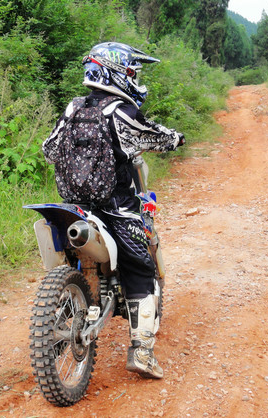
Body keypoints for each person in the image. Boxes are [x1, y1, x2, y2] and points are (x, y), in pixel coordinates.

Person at [42, 42, 185, 379]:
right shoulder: (120, 111)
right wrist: (175, 138)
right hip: (115, 209)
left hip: (72, 208)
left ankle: (64, 321)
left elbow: (50, 150)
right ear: (115, 72)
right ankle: (141, 350)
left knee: (66, 260)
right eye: (132, 71)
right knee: (140, 268)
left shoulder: (73, 107)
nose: (135, 77)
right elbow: (152, 136)